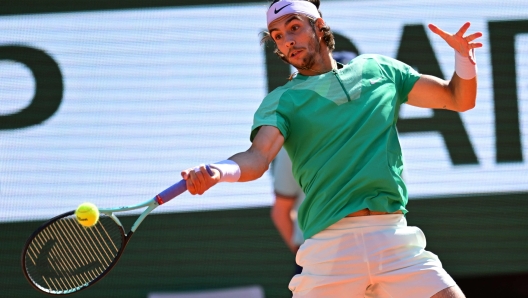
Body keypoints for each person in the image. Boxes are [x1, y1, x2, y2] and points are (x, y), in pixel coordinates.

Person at [181, 0, 482, 296]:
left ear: (320, 26)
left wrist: (464, 58)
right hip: (331, 250)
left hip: (394, 239)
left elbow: (458, 98)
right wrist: (220, 171)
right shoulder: (284, 101)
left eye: (294, 28)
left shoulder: (380, 70)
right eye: (278, 36)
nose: (287, 41)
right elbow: (257, 157)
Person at [270, 147, 305, 274]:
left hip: (365, 248)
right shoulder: (293, 147)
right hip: (314, 255)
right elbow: (280, 212)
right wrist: (305, 257)